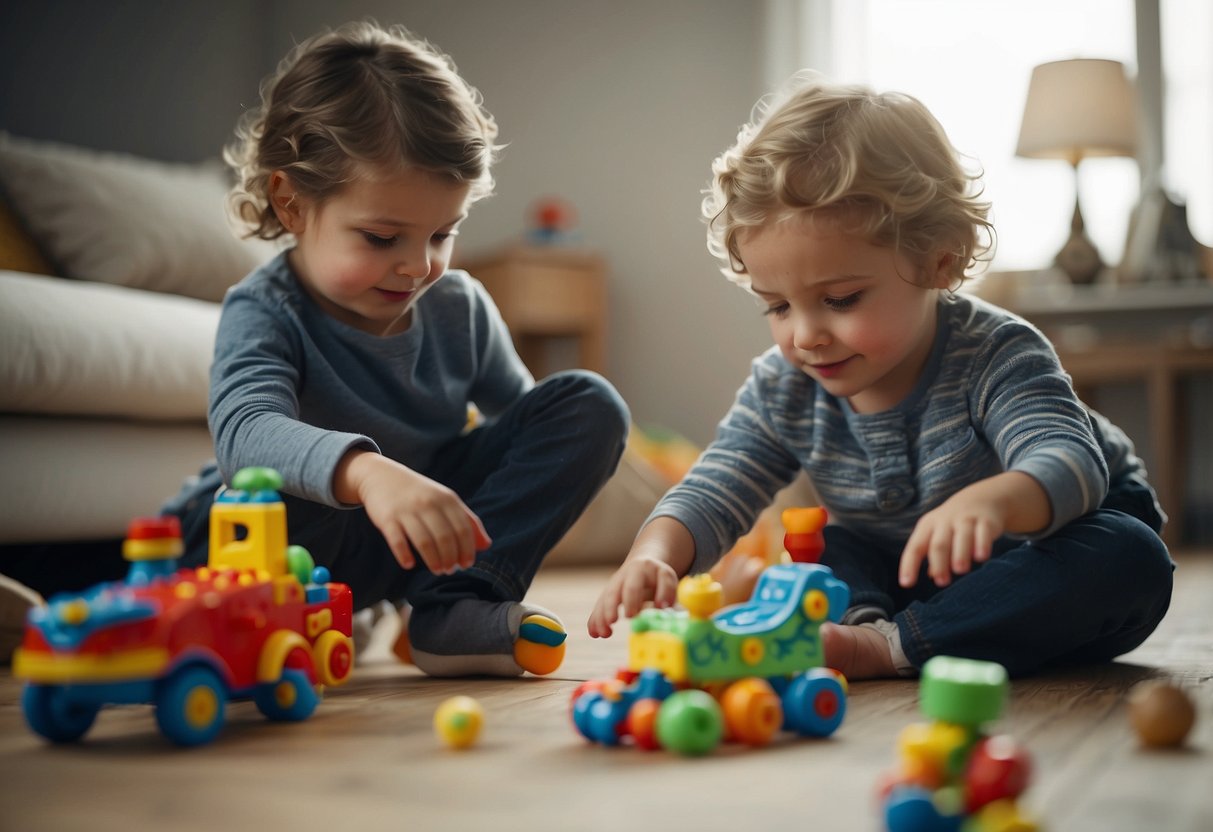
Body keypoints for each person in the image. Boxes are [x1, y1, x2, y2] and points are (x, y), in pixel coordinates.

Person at [587, 74, 1173, 679]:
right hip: (916, 571)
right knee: (824, 546)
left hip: (1045, 557)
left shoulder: (998, 351)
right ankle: (871, 629)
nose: (805, 334)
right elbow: (715, 484)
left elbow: (1070, 461)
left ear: (938, 262)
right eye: (778, 306)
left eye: (840, 299)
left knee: (1128, 556)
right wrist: (652, 555)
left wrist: (996, 503)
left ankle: (894, 645)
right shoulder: (785, 385)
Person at [163, 20, 629, 677]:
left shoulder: (457, 305)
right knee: (276, 481)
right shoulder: (264, 311)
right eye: (382, 238)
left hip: (394, 547)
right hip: (256, 550)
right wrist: (368, 473)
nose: (418, 267)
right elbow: (245, 435)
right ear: (291, 204)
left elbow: (529, 427)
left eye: (442, 234)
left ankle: (449, 607)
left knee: (589, 403)